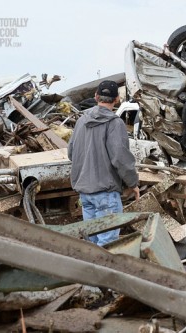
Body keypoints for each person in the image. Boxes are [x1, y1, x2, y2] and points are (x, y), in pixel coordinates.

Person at [67, 80, 140, 246]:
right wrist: (133, 183)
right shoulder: (115, 123)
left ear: (95, 96)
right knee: (106, 246)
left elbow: (71, 153)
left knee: (91, 245)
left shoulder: (81, 121)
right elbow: (120, 158)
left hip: (85, 194)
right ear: (116, 100)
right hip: (105, 194)